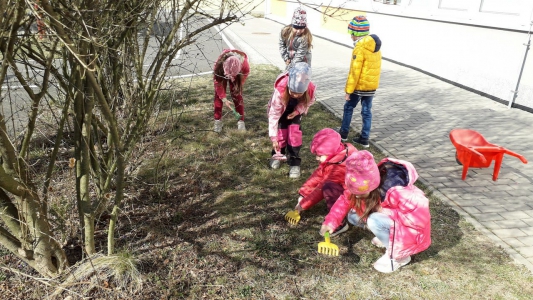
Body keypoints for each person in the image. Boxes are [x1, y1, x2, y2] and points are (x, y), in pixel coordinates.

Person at [320, 150, 431, 273]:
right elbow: (345, 200)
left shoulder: (397, 191)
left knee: (374, 220)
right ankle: (387, 237)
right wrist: (330, 222)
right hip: (394, 224)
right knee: (353, 216)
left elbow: (419, 219)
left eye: (360, 193)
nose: (356, 196)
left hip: (412, 233)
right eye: (354, 192)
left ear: (372, 186)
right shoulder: (362, 186)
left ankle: (401, 257)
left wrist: (385, 213)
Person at [290, 128, 357, 236]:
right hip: (348, 192)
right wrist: (304, 192)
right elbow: (318, 175)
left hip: (354, 199)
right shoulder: (336, 156)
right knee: (328, 184)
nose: (317, 158)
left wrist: (303, 205)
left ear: (330, 152)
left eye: (319, 155)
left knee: (328, 187)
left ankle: (339, 224)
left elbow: (320, 190)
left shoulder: (340, 167)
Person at [335, 15, 382, 147]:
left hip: (359, 86)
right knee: (367, 112)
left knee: (348, 107)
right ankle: (365, 139)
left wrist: (348, 91)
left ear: (357, 34)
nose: (350, 36)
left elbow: (355, 71)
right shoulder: (376, 48)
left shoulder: (359, 48)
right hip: (371, 87)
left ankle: (343, 133)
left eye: (352, 33)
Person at [267, 62, 316, 178]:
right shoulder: (280, 91)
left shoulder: (310, 90)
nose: (295, 95)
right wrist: (273, 138)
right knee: (281, 132)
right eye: (292, 92)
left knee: (294, 134)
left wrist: (297, 111)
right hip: (281, 110)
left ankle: (294, 161)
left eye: (299, 94)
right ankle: (278, 154)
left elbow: (308, 102)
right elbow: (274, 115)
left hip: (295, 111)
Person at [213, 49, 250, 133]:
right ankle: (217, 121)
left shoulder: (245, 66)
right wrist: (224, 99)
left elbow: (242, 80)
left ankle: (241, 121)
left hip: (237, 74)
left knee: (237, 95)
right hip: (222, 72)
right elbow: (218, 84)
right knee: (218, 97)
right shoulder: (219, 65)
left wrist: (236, 87)